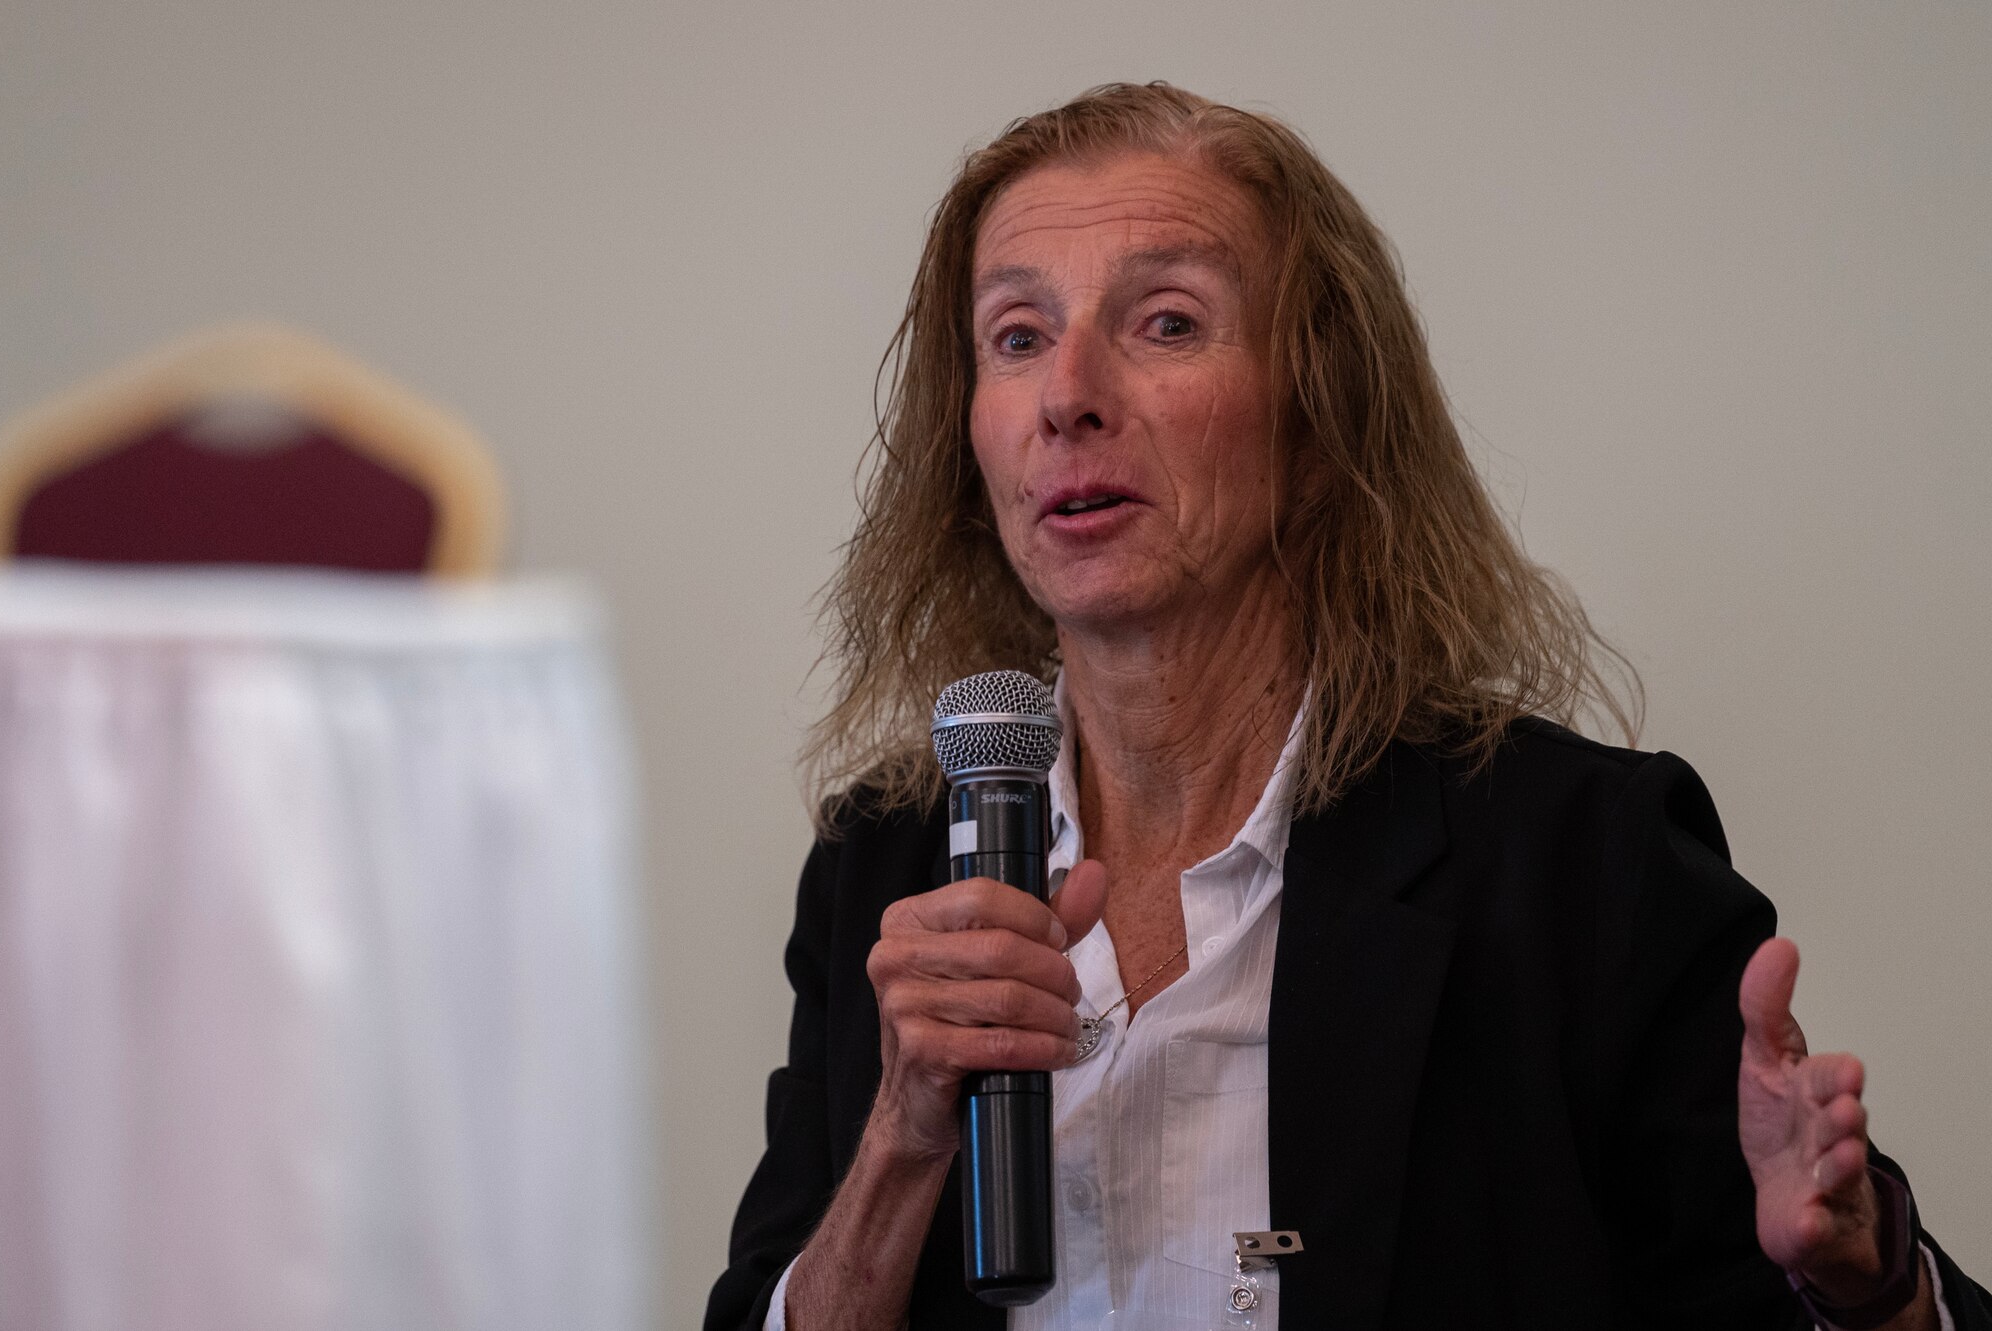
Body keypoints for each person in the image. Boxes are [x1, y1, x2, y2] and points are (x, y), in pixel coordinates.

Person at [706, 83, 1988, 1330]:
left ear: (1319, 421)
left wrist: (1864, 1289)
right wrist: (900, 1134)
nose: (1067, 395)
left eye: (1164, 322)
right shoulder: (883, 867)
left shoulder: (1577, 864)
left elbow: (1794, 1273)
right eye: (1017, 336)